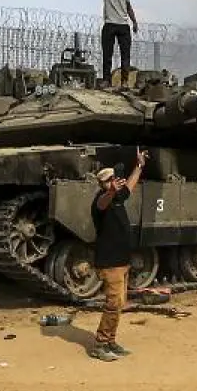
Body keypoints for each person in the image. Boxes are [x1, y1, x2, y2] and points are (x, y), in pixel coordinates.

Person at [88, 148, 148, 361]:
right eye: (110, 180)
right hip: (110, 262)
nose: (115, 181)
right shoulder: (101, 201)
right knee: (113, 303)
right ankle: (100, 344)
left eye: (115, 178)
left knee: (120, 303)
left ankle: (111, 341)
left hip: (122, 261)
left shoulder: (118, 197)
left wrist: (139, 166)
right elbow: (103, 203)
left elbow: (130, 185)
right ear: (103, 184)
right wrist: (111, 191)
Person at [94, 0, 139, 84]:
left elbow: (128, 7)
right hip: (110, 24)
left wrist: (134, 21)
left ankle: (124, 82)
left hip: (124, 26)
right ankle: (106, 80)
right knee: (107, 54)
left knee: (126, 55)